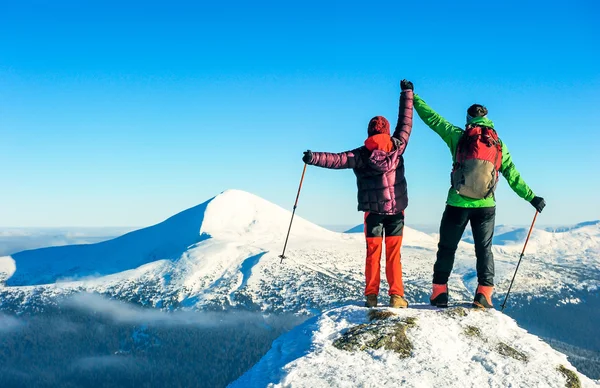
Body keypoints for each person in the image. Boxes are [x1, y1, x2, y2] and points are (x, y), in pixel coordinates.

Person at [412, 87, 546, 309]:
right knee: (484, 249)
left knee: (447, 247)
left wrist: (413, 97)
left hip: (457, 203)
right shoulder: (499, 145)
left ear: (468, 119)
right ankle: (484, 294)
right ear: (487, 119)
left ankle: (439, 293)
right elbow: (513, 175)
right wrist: (532, 198)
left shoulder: (458, 136)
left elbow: (433, 119)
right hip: (486, 206)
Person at [302, 80, 414, 308]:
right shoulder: (398, 146)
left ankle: (371, 297)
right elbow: (406, 122)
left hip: (372, 213)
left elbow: (335, 160)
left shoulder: (361, 155)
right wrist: (407, 93)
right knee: (393, 254)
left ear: (369, 132)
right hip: (396, 212)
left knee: (373, 253)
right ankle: (396, 297)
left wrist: (313, 157)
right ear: (386, 131)